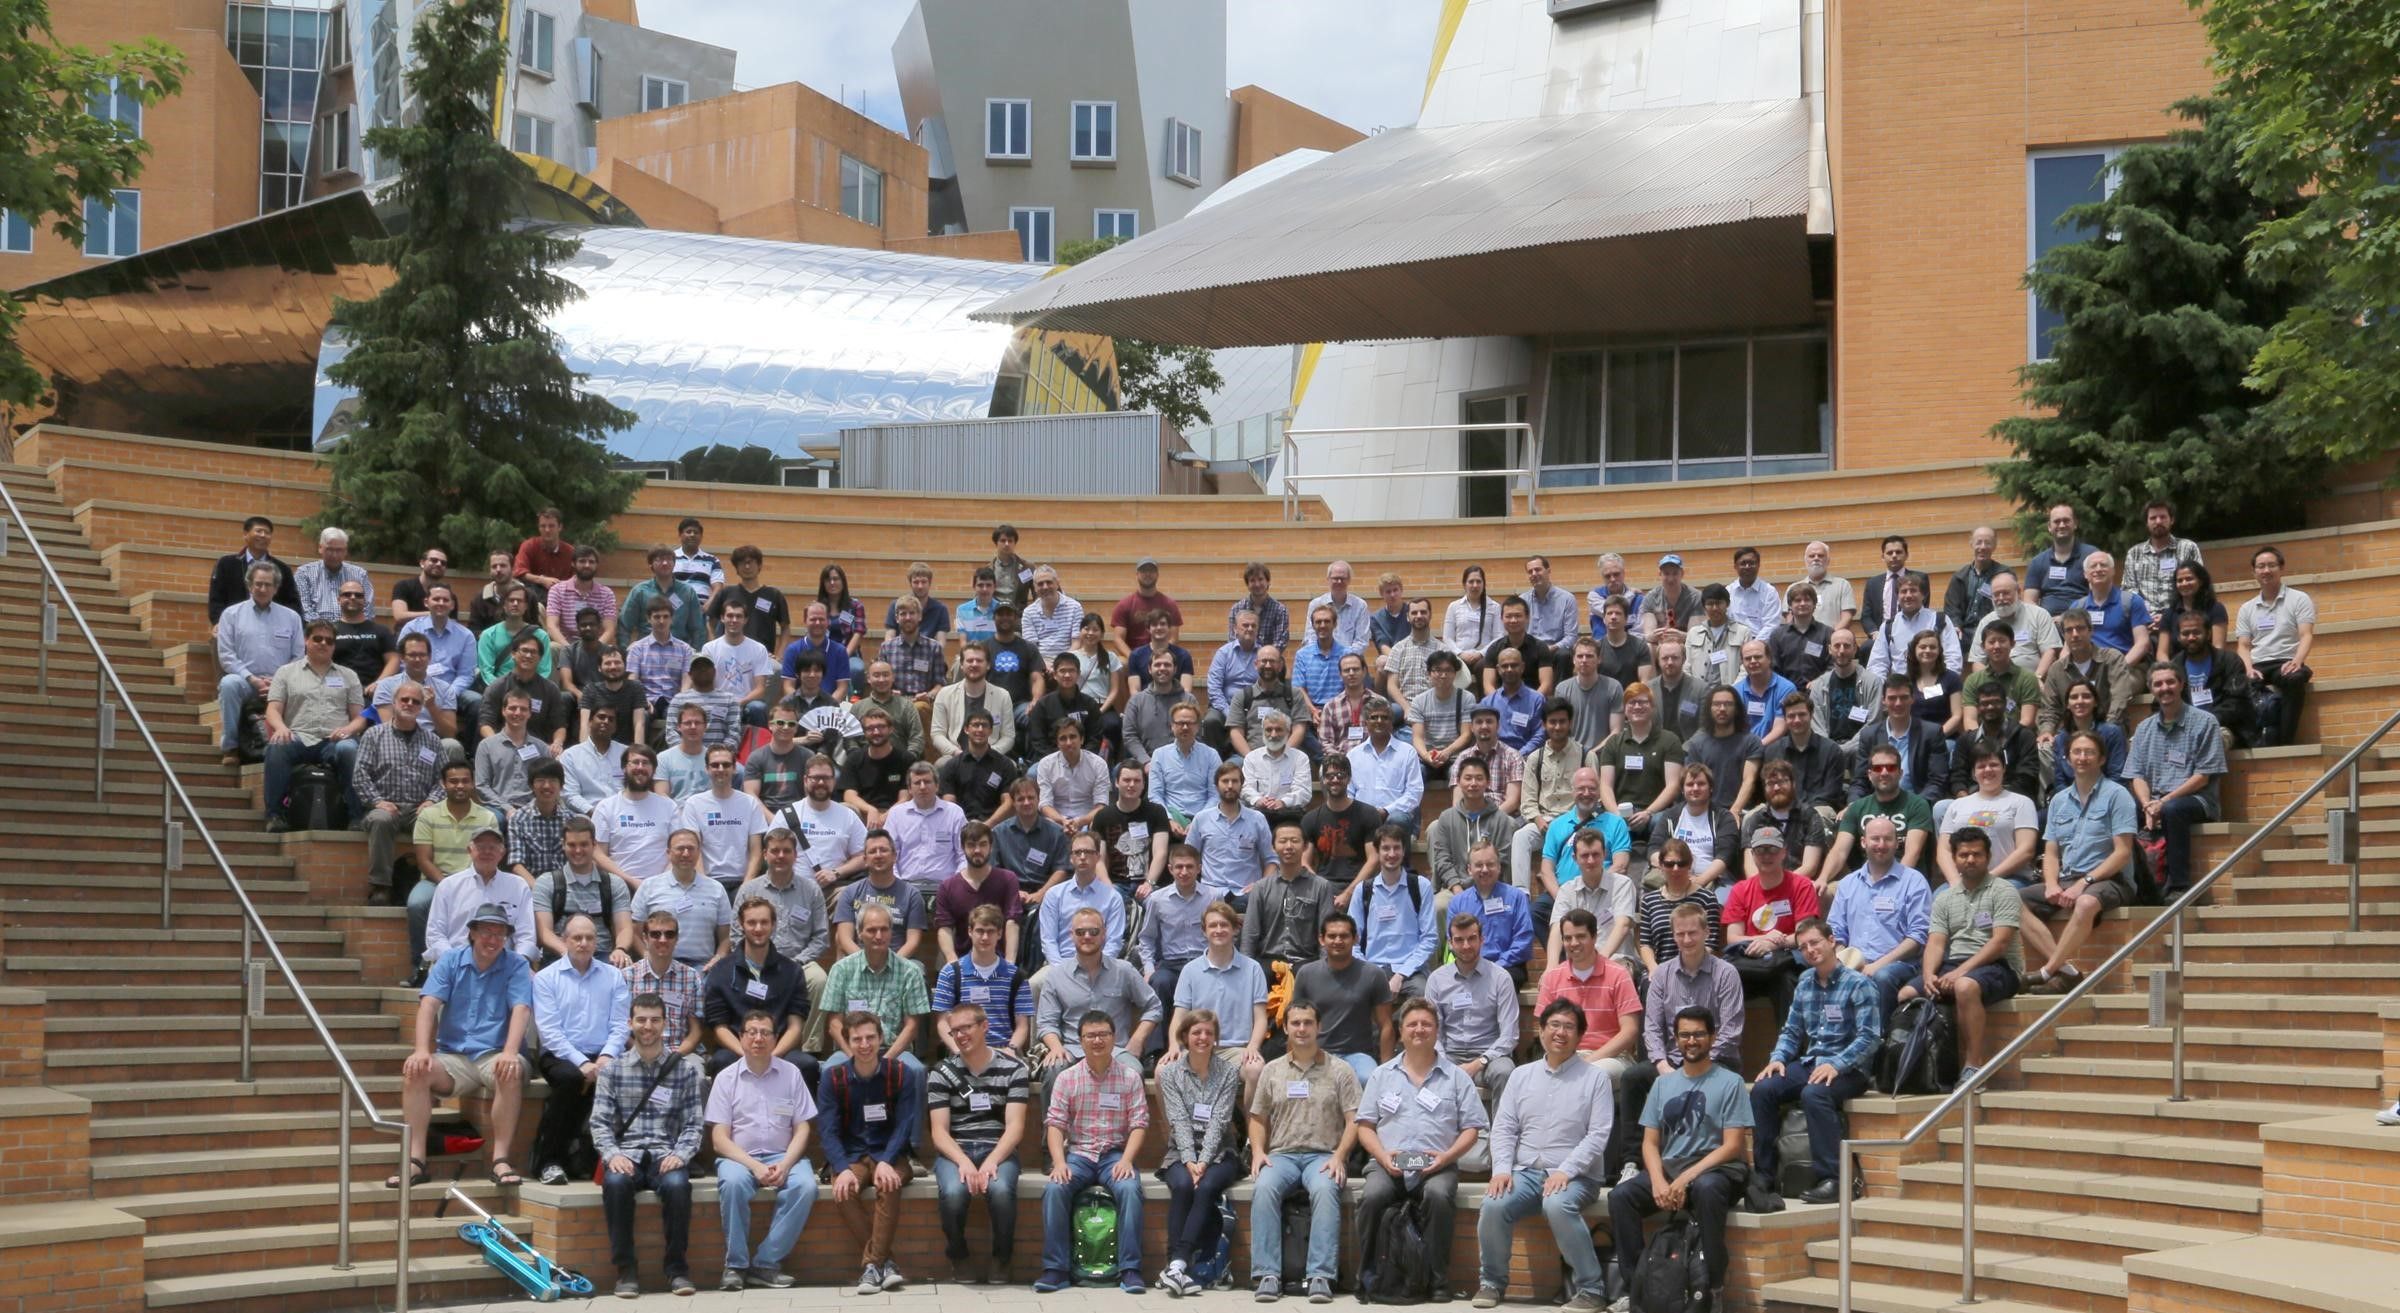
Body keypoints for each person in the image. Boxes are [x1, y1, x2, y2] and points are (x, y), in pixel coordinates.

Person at [1473, 998, 1618, 1313]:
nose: (1560, 1033)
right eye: (1554, 1025)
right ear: (1540, 1031)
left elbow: (1598, 1135)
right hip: (1525, 1172)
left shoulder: (1596, 1079)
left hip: (1577, 1175)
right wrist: (1501, 1170)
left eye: (1569, 1027)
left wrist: (1566, 1171)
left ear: (1580, 1036)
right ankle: (1492, 1283)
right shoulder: (1521, 1076)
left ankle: (1592, 1289)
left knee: (1557, 1204)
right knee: (1494, 1203)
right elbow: (1504, 1128)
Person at [1608, 1005, 1750, 1307]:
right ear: (1675, 1039)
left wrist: (1687, 1177)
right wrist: (1659, 1182)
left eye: (1699, 1034)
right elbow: (1649, 1143)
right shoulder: (1663, 1084)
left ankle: (1712, 1287)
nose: (1692, 1040)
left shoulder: (1730, 1082)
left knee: (1707, 1189)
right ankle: (1637, 1290)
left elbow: (1733, 1145)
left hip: (1719, 1170)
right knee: (1621, 1197)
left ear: (1712, 1037)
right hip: (1672, 1170)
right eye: (1684, 1034)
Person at [1354, 997, 1488, 1305]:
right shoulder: (1381, 1075)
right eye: (1412, 1024)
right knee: (1372, 1196)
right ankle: (1368, 1276)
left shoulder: (1456, 1077)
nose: (1419, 1030)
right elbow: (1364, 1126)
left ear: (1437, 1030)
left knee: (1439, 1197)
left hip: (1438, 1165)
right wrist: (1383, 1157)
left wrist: (1446, 1157)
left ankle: (1438, 1280)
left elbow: (1471, 1128)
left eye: (1426, 1024)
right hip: (1387, 1163)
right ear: (1400, 1031)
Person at [391, 903, 533, 1192]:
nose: (493, 940)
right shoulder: (450, 961)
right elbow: (429, 1005)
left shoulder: (516, 964)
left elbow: (521, 1009)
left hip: (494, 1054)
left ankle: (500, 1160)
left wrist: (509, 1051)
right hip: (454, 1056)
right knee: (416, 1071)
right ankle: (415, 1160)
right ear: (472, 933)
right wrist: (421, 1049)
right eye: (486, 932)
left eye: (500, 934)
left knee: (510, 1069)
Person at [1751, 918, 1880, 1205]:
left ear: (1832, 941)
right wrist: (1777, 1058)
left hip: (1850, 1068)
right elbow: (1792, 1030)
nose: (1810, 950)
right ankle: (1764, 1176)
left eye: (1815, 942)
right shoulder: (1805, 982)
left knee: (1814, 1094)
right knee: (1763, 1089)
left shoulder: (1859, 984)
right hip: (1812, 1062)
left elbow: (1870, 1038)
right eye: (1803, 946)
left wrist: (1837, 1064)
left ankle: (1834, 1178)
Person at [1246, 997, 1359, 1304]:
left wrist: (1340, 1156)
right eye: (1295, 1023)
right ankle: (1267, 1274)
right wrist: (1258, 1152)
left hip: (1323, 1156)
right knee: (1265, 1186)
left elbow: (1355, 1120)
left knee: (1325, 1189)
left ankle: (1320, 1275)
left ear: (1319, 1027)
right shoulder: (1272, 1070)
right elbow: (1257, 1118)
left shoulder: (1341, 1070)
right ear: (1285, 1028)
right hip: (1282, 1155)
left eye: (1308, 1022)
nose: (1302, 1028)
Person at [594, 992, 704, 1296]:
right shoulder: (613, 1071)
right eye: (641, 1019)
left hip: (665, 1153)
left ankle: (677, 1270)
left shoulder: (683, 1070)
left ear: (665, 1024)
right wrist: (612, 1154)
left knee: (679, 1186)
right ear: (630, 1023)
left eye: (655, 1020)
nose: (648, 1026)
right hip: (625, 1153)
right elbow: (600, 1123)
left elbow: (693, 1123)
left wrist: (681, 1155)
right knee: (615, 1184)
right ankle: (626, 1271)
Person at [1034, 1011, 1152, 1295]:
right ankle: (1056, 1269)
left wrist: (1126, 1160)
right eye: (1090, 1036)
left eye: (1103, 1035)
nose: (1097, 1040)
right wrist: (1059, 1163)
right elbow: (1055, 1125)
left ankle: (1130, 1269)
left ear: (1114, 1039)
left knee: (1129, 1188)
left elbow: (1139, 1124)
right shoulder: (1067, 1078)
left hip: (1114, 1154)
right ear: (1080, 1041)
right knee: (1055, 1188)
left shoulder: (1130, 1077)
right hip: (1080, 1155)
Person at [1900, 826, 2021, 1089]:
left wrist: (1960, 972)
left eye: (1977, 854)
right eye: (1964, 855)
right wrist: (1929, 974)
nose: (1970, 860)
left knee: (1964, 986)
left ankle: (1974, 1067)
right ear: (1954, 859)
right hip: (1954, 964)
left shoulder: (2004, 890)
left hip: (1998, 966)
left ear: (1988, 857)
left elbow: (2000, 943)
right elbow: (1935, 942)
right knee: (1906, 995)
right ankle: (1918, 1066)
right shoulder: (1945, 897)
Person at [2020, 731, 2139, 994]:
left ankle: (2047, 971)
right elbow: (2051, 852)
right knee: (2009, 899)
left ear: (2102, 759)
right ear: (2067, 758)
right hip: (2067, 878)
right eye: (2077, 752)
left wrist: (2084, 883)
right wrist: (2051, 884)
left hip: (2111, 880)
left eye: (2089, 752)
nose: (2082, 758)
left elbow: (2122, 853)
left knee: (2085, 902)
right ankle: (2067, 971)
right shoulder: (2059, 801)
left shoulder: (2117, 795)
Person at [706, 1009, 817, 1290]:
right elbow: (719, 1139)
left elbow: (803, 1128)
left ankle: (765, 1264)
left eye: (765, 1033)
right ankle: (736, 1265)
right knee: (732, 1183)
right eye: (751, 1032)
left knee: (805, 1186)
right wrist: (754, 1166)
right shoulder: (725, 1079)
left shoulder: (791, 1074)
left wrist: (787, 1163)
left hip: (783, 1154)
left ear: (775, 1038)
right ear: (741, 1038)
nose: (758, 1038)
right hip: (740, 1157)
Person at [817, 1010, 921, 1295]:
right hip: (851, 1155)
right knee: (844, 1190)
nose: (864, 1044)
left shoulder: (901, 1073)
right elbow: (827, 1131)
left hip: (890, 1151)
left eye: (870, 1038)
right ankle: (884, 1265)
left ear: (881, 1038)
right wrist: (841, 1167)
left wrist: (887, 1160)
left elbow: (905, 1124)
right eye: (857, 1039)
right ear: (847, 1043)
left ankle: (871, 1266)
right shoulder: (833, 1077)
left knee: (889, 1183)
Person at [927, 1001, 1031, 1282]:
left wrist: (990, 1162)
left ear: (985, 1026)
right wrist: (963, 1162)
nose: (960, 1036)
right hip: (955, 1150)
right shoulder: (941, 1072)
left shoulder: (1014, 1069)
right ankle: (958, 1257)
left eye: (966, 1028)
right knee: (953, 1193)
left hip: (998, 1148)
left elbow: (1015, 1127)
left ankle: (1002, 1258)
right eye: (954, 1031)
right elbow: (938, 1132)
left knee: (999, 1191)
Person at [1153, 1009, 1249, 1295]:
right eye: (1196, 1032)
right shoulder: (1170, 1073)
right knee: (1182, 1185)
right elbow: (1178, 1120)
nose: (1203, 1037)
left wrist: (1204, 1162)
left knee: (1206, 1187)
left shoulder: (1228, 1072)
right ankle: (1176, 1267)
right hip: (1181, 1152)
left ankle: (1176, 1264)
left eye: (1208, 1032)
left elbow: (1220, 1121)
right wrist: (1190, 1161)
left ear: (1216, 1038)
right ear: (1185, 1037)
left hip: (1220, 1152)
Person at [530, 914, 627, 1185]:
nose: (583, 943)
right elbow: (549, 1032)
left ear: (597, 942)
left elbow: (620, 1025)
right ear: (565, 941)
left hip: (603, 1054)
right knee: (571, 1080)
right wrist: (582, 1063)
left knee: (626, 1078)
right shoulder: (547, 978)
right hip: (560, 1055)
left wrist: (607, 1056)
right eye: (577, 938)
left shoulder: (613, 977)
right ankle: (548, 1161)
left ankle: (599, 1158)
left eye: (589, 938)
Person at [2127, 664, 2228, 898]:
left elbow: (2203, 777)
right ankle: (2134, 885)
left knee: (2173, 810)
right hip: (2153, 802)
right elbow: (2136, 775)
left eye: (2170, 682)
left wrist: (2162, 803)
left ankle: (2179, 886)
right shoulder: (2144, 728)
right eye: (2158, 684)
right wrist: (2147, 804)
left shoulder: (2205, 722)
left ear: (2181, 684)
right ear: (2151, 688)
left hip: (2197, 800)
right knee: (2121, 807)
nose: (2165, 688)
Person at [1032, 906, 1160, 1083]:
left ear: (1104, 934)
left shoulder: (1124, 971)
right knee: (1054, 1070)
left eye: (1093, 931)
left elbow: (1153, 1006)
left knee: (1133, 1072)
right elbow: (1046, 1023)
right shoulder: (1056, 976)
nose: (1087, 936)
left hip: (1116, 1051)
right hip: (1072, 1050)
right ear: (1071, 935)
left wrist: (1137, 1040)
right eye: (1080, 931)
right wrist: (1055, 1047)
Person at [701, 896, 818, 1087]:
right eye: (751, 922)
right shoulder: (721, 971)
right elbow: (719, 1027)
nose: (758, 929)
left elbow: (795, 1026)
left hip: (779, 1049)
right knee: (721, 1062)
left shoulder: (792, 971)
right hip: (737, 1050)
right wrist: (747, 1054)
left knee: (807, 1064)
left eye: (764, 922)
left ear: (773, 925)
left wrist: (772, 1057)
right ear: (741, 924)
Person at [1824, 816, 1932, 1017]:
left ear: (1897, 843)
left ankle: (1876, 1041)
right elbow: (1836, 931)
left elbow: (1917, 938)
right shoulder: (1848, 884)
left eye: (1887, 839)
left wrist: (1877, 965)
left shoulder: (1914, 882)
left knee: (1882, 976)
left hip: (1899, 966)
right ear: (1863, 842)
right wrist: (1843, 962)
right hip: (1854, 964)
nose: (1881, 845)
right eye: (1875, 839)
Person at [356, 679, 448, 904]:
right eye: (404, 700)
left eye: (415, 701)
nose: (409, 704)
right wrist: (377, 801)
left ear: (421, 707)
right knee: (381, 820)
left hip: (419, 808)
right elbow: (360, 775)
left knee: (438, 820)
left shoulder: (433, 741)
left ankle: (439, 883)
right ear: (394, 703)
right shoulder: (374, 735)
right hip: (386, 806)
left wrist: (431, 801)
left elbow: (444, 780)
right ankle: (380, 887)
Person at [405, 766, 502, 971]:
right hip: (435, 880)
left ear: (473, 783)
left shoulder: (487, 817)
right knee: (416, 904)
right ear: (443, 784)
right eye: (454, 781)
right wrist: (449, 885)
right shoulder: (428, 816)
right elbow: (423, 860)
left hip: (476, 878)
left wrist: (464, 885)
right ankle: (421, 966)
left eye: (465, 781)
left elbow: (489, 855)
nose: (460, 786)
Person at [1721, 828, 1822, 1022]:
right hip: (1751, 961)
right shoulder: (1740, 889)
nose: (1766, 856)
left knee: (1787, 981)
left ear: (1784, 852)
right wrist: (1764, 939)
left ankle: (1791, 1048)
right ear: (1752, 855)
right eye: (1760, 850)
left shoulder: (1801, 885)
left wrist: (1776, 943)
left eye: (1772, 850)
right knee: (1724, 979)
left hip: (1784, 963)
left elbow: (1805, 933)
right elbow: (1733, 937)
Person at [820, 901, 932, 1075]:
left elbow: (912, 1026)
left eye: (884, 929)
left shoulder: (910, 971)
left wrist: (886, 1061)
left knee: (916, 1071)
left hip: (895, 1050)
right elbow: (834, 1025)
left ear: (891, 932)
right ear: (860, 933)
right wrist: (853, 1058)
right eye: (871, 930)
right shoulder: (841, 969)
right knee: (829, 1070)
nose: (878, 936)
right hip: (851, 1050)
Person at [1426, 909, 1520, 1105]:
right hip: (1449, 1055)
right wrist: (1443, 1063)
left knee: (1506, 1072)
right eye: (1459, 940)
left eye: (1472, 938)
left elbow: (1509, 1035)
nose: (1466, 945)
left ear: (1482, 940)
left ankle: (1500, 1134)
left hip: (1490, 1058)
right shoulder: (1436, 980)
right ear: (1450, 943)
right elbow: (1432, 1031)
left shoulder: (1500, 978)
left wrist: (1479, 1062)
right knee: (1425, 1070)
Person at [1643, 901, 1744, 1079]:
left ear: (1706, 932)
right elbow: (1652, 1027)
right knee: (1632, 1078)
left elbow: (1731, 1030)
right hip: (1674, 1057)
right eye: (1680, 934)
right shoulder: (1661, 974)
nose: (1687, 940)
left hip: (1717, 1057)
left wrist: (1696, 1066)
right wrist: (1661, 1063)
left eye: (1692, 933)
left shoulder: (1727, 973)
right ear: (1673, 936)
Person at [215, 562, 305, 764]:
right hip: (245, 681)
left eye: (268, 584)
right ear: (249, 585)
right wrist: (253, 679)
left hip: (282, 682)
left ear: (276, 587)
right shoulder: (231, 615)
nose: (263, 589)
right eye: (258, 584)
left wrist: (278, 682)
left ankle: (301, 748)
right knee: (229, 684)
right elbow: (226, 655)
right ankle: (231, 748)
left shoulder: (292, 618)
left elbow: (298, 656)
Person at [419, 821, 537, 971]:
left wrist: (517, 965)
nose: (487, 852)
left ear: (502, 853)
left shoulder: (518, 886)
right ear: (470, 850)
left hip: (504, 968)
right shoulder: (449, 886)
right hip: (454, 966)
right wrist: (454, 962)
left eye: (493, 847)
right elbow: (435, 934)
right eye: (481, 847)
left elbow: (526, 936)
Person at [1291, 913, 1394, 1083]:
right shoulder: (1306, 974)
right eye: (1332, 936)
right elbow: (1294, 1021)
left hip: (1359, 1055)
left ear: (1355, 939)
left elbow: (1386, 1025)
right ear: (1321, 939)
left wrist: (1388, 1070)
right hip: (1316, 1052)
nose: (1338, 940)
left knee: (1369, 1079)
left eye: (1344, 936)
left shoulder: (1373, 974)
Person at [2235, 545, 2315, 747]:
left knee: (2295, 679)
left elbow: (2306, 635)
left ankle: (2285, 742)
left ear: (2282, 568)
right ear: (2254, 572)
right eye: (2260, 566)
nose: (2266, 570)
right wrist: (2248, 669)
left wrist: (2297, 662)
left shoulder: (2299, 599)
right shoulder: (2247, 608)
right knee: (2237, 685)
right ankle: (2252, 740)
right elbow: (2243, 646)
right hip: (2259, 663)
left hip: (2286, 661)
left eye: (2271, 565)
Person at [1347, 826, 1439, 998]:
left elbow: (1430, 938)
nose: (1391, 854)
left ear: (1404, 851)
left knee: (1423, 994)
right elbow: (1352, 941)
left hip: (1411, 971)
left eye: (1396, 847)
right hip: (1371, 967)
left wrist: (1401, 974)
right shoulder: (1363, 890)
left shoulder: (1420, 886)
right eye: (1386, 848)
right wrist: (1370, 971)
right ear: (1377, 851)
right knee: (1352, 998)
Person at [1936, 744, 2042, 890]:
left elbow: (2026, 850)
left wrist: (1988, 878)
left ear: (2004, 768)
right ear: (1973, 773)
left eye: (1994, 765)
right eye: (1981, 766)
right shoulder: (1956, 806)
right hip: (1963, 881)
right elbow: (1944, 850)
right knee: (1938, 899)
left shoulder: (2021, 803)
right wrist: (1955, 882)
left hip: (2008, 879)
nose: (1988, 770)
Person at [534, 816, 636, 964]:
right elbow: (544, 932)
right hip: (559, 955)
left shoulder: (614, 884)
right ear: (563, 845)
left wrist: (620, 949)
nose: (578, 850)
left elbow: (624, 928)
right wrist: (568, 953)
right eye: (572, 845)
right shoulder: (546, 883)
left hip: (602, 956)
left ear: (594, 844)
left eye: (584, 844)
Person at [932, 905, 1033, 1053]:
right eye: (980, 931)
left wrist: (1010, 1050)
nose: (985, 937)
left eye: (991, 931)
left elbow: (1022, 1026)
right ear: (970, 932)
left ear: (999, 934)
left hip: (1004, 1052)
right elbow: (942, 1023)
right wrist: (958, 1051)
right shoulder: (950, 973)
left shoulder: (1016, 977)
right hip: (962, 1052)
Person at [1242, 824, 1339, 967]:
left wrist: (1324, 969)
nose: (1288, 846)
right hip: (1269, 962)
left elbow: (1326, 931)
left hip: (1307, 963)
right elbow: (1250, 933)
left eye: (1294, 841)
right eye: (1282, 841)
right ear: (1273, 847)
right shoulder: (1260, 888)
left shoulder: (1321, 886)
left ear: (1305, 846)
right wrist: (1247, 969)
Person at [622, 912, 707, 1070]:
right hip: (636, 1052)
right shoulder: (627, 976)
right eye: (655, 934)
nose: (663, 940)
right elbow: (621, 1027)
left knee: (699, 1078)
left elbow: (696, 1031)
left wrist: (673, 1058)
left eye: (669, 934)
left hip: (679, 1053)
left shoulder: (691, 976)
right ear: (645, 938)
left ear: (677, 938)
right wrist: (643, 1053)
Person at [829, 830, 929, 959]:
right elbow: (844, 938)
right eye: (872, 851)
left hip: (899, 961)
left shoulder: (911, 895)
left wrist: (891, 966)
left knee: (918, 971)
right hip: (858, 960)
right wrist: (865, 963)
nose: (878, 855)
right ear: (865, 860)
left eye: (883, 850)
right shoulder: (850, 893)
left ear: (894, 856)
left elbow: (913, 942)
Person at [1428, 758, 1521, 894]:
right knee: (1440, 906)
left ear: (1488, 782)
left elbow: (1502, 859)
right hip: (1454, 888)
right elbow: (1442, 859)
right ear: (1458, 781)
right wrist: (1456, 887)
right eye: (1468, 778)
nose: (1473, 783)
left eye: (1479, 778)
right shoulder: (1446, 818)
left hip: (1491, 887)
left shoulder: (1501, 820)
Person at [1641, 763, 1736, 891]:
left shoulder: (1724, 817)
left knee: (1725, 902)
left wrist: (1699, 881)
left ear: (1711, 788)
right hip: (1672, 875)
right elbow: (1653, 849)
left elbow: (1725, 856)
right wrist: (1675, 872)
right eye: (1690, 784)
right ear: (1682, 789)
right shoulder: (1670, 816)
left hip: (1713, 879)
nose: (1695, 788)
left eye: (1701, 784)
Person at [779, 757, 868, 893]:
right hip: (793, 890)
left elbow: (864, 856)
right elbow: (772, 854)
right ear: (805, 780)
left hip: (834, 890)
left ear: (833, 781)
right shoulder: (786, 814)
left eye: (826, 778)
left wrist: (836, 873)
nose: (821, 782)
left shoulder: (848, 816)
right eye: (815, 778)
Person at [1035, 832, 1129, 961]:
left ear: (1097, 857)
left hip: (1100, 967)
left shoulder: (1113, 898)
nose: (1083, 857)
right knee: (1034, 982)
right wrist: (1062, 972)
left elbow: (1114, 943)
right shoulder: (1054, 895)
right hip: (1060, 965)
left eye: (1088, 852)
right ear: (1071, 858)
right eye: (1078, 852)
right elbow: (1048, 941)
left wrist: (1097, 970)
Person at [1300, 755, 1385, 890]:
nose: (1335, 780)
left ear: (1349, 778)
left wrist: (1349, 893)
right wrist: (1321, 889)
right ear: (1323, 780)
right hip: (1323, 887)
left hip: (1360, 886)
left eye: (1340, 775)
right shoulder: (1310, 819)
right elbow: (1304, 862)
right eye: (1329, 776)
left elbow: (1374, 860)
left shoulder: (1368, 814)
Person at [1637, 841, 1725, 969]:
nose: (1676, 869)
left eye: (1681, 863)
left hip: (1698, 969)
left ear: (1689, 865)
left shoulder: (1706, 898)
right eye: (1669, 864)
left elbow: (1711, 943)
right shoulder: (1649, 901)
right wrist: (1654, 969)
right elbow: (1645, 944)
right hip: (1659, 970)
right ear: (1660, 865)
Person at [1091, 759, 1171, 893]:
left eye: (1137, 781)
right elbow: (1098, 859)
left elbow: (1160, 853)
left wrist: (1149, 883)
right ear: (1116, 783)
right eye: (1126, 780)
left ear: (1144, 784)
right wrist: (1107, 886)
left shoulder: (1157, 812)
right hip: (1115, 884)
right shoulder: (1102, 816)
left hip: (1150, 883)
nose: (1131, 785)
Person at [472, 687, 554, 816]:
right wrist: (507, 808)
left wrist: (530, 808)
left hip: (534, 807)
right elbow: (482, 786)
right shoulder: (486, 746)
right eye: (512, 708)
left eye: (523, 709)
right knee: (494, 820)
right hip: (497, 808)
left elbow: (548, 784)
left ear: (530, 713)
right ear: (503, 711)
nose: (517, 713)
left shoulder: (542, 748)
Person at [1765, 692, 1846, 819]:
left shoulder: (1832, 750)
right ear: (1785, 719)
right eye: (1791, 716)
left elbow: (1831, 794)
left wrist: (1800, 811)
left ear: (1811, 715)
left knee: (1817, 817)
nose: (1797, 720)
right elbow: (1769, 788)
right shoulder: (1773, 751)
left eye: (1802, 714)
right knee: (1751, 817)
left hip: (1819, 810)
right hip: (1781, 807)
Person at [206, 514, 300, 623]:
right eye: (259, 531)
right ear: (245, 534)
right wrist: (219, 623)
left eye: (267, 533)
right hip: (234, 624)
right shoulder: (226, 564)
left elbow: (292, 602)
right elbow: (216, 599)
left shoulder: (282, 569)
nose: (263, 535)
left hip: (272, 626)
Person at [702, 599, 780, 727]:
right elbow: (707, 686)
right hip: (719, 702)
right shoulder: (709, 649)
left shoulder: (758, 649)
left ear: (745, 620)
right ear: (722, 618)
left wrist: (739, 703)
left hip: (746, 703)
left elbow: (760, 689)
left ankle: (758, 745)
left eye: (738, 616)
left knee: (758, 708)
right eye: (730, 616)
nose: (734, 620)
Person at [1686, 686, 1764, 814]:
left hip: (1741, 811)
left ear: (1737, 709)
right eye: (1717, 704)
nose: (1722, 709)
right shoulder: (1697, 744)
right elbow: (1695, 784)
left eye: (1728, 704)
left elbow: (1749, 780)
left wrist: (1734, 811)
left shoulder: (1751, 742)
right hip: (1706, 812)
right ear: (1709, 709)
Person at [930, 647, 1016, 762]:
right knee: (941, 765)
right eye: (970, 660)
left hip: (991, 756)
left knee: (1012, 767)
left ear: (988, 665)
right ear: (961, 665)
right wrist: (955, 752)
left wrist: (989, 753)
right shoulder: (944, 694)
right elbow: (937, 734)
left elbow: (1008, 736)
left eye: (979, 661)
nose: (974, 664)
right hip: (955, 756)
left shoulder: (1003, 696)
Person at [1973, 572, 2063, 675]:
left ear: (2018, 592)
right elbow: (1978, 661)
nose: (2001, 598)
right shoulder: (1985, 622)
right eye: (1996, 594)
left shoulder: (2038, 614)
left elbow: (2050, 652)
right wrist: (1988, 686)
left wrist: (2036, 678)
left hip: (2033, 679)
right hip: (1997, 685)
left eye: (2006, 593)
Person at [1808, 627, 1878, 758]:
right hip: (1827, 751)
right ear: (1829, 649)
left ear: (1855, 649)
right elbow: (1816, 725)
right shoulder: (1818, 686)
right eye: (1837, 646)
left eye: (1847, 646)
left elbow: (1873, 722)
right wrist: (1831, 748)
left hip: (1861, 750)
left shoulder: (1872, 682)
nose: (1841, 651)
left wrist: (1844, 750)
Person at [2075, 551, 2154, 665]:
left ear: (2113, 571)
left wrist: (2119, 668)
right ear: (2086, 574)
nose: (2098, 569)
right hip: (2088, 668)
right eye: (2093, 566)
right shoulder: (2078, 607)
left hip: (2126, 666)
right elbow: (2068, 648)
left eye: (2103, 565)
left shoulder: (2132, 601)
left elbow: (2142, 643)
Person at [1242, 708, 1316, 827]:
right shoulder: (1252, 758)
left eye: (1279, 730)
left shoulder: (1300, 758)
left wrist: (1282, 802)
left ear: (1288, 731)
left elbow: (1303, 791)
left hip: (1290, 814)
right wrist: (1258, 800)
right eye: (1269, 730)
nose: (1273, 734)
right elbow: (1246, 788)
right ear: (1263, 732)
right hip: (1259, 813)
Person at [293, 525, 370, 623]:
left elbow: (367, 610)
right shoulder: (304, 574)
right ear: (320, 548)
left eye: (339, 550)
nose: (334, 555)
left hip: (353, 631)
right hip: (318, 633)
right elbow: (304, 609)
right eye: (330, 549)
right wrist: (327, 630)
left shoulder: (359, 574)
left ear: (346, 551)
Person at [1682, 585, 1753, 692]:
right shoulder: (1693, 633)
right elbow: (1687, 666)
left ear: (1727, 604)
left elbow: (1745, 668)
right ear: (1704, 606)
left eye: (1719, 603)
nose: (1715, 608)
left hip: (1731, 693)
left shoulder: (1743, 632)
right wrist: (1694, 691)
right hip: (1699, 693)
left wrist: (1733, 691)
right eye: (1710, 604)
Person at [1764, 583, 1833, 686]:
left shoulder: (1827, 633)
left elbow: (1832, 666)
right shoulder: (1777, 636)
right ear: (1790, 605)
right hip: (1786, 694)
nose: (1802, 603)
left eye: (1807, 600)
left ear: (1814, 604)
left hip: (1819, 692)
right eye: (1797, 600)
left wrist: (1820, 682)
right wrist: (1785, 687)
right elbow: (1772, 668)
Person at [1640, 553, 1703, 638]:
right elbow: (1648, 635)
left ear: (1682, 574)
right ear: (1660, 574)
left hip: (1686, 644)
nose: (1670, 579)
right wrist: (1655, 636)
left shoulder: (1695, 597)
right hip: (1660, 643)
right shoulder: (1650, 597)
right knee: (1649, 646)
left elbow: (1696, 636)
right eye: (1666, 573)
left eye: (1675, 573)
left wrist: (1680, 636)